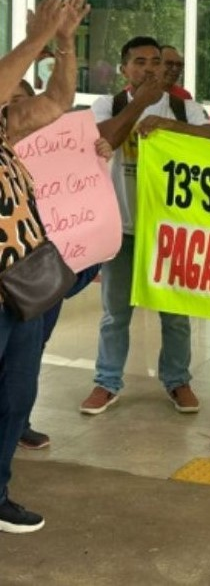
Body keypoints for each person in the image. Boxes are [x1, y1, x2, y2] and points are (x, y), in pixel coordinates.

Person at [82, 36, 210, 416]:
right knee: (115, 313)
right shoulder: (106, 105)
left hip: (170, 231)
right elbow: (103, 139)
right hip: (122, 228)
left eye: (156, 62)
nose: (149, 68)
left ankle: (177, 380)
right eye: (140, 62)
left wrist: (166, 124)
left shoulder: (182, 106)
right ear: (124, 68)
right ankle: (106, 381)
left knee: (175, 313)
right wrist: (140, 105)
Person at [0, 0, 89, 533]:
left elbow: (57, 102)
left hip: (23, 288)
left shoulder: (6, 131)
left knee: (16, 395)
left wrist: (64, 46)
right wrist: (34, 39)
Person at [4, 82, 111, 450]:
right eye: (9, 104)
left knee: (28, 354)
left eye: (24, 103)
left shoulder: (58, 146)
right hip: (13, 273)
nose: (18, 111)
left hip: (42, 272)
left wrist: (94, 156)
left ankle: (18, 423)